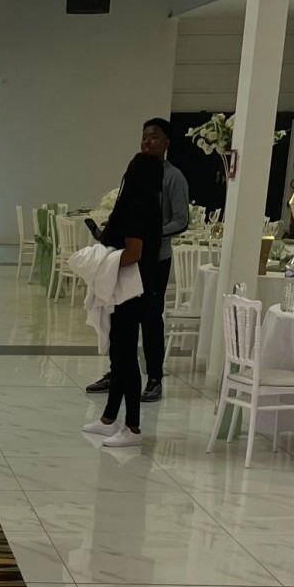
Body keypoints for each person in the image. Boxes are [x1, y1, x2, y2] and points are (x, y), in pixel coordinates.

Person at [87, 118, 189, 402]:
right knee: (121, 317)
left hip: (155, 259)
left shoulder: (173, 177)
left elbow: (181, 220)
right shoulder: (136, 171)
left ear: (167, 142)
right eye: (144, 137)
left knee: (150, 318)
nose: (147, 142)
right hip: (129, 256)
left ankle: (154, 377)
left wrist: (149, 233)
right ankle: (117, 371)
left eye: (154, 137)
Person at [82, 152, 164, 448]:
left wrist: (104, 262)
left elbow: (133, 252)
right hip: (137, 287)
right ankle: (109, 419)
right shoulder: (150, 204)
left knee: (125, 355)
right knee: (119, 353)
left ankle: (133, 426)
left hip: (131, 290)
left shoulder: (137, 206)